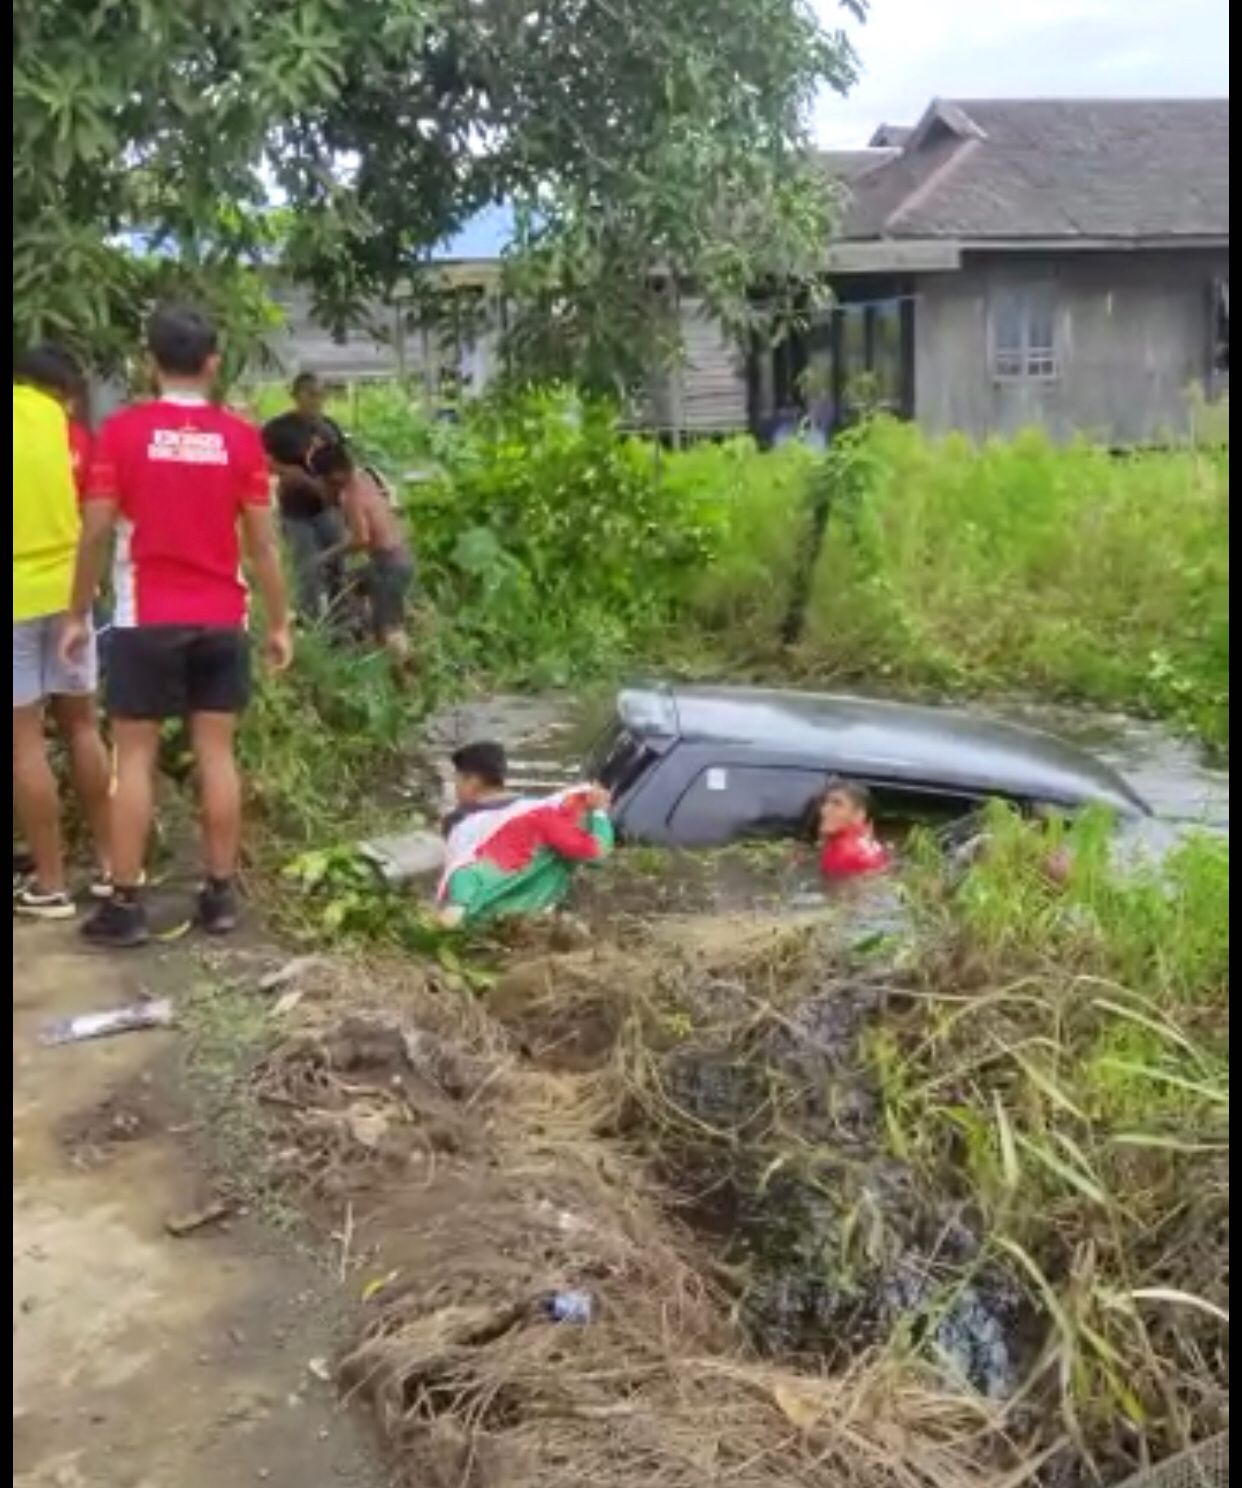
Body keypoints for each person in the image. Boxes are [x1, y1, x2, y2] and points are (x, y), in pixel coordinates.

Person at [59, 304, 294, 947]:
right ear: (213, 362)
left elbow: (97, 532)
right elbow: (264, 548)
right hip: (222, 616)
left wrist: (77, 614)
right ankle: (219, 897)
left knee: (133, 756)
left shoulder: (123, 433)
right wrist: (279, 624)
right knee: (218, 753)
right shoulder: (241, 439)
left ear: (149, 360)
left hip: (146, 617)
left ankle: (127, 905)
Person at [13, 345, 114, 918]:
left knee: (24, 742)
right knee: (82, 726)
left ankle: (50, 884)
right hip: (70, 596)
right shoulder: (71, 432)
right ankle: (108, 865)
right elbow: (95, 517)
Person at [437, 742, 613, 927]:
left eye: (456, 780)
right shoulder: (538, 814)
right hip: (525, 914)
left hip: (473, 914)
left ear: (473, 781)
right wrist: (599, 813)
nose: (455, 788)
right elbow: (597, 854)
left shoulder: (457, 825)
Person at [306, 440, 415, 668]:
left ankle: (409, 683)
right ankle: (366, 633)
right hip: (397, 558)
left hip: (390, 565)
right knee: (352, 585)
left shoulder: (351, 496)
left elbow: (361, 539)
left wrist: (328, 556)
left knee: (390, 630)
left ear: (335, 476)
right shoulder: (365, 479)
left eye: (323, 480)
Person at [261, 373, 347, 624]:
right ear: (296, 396)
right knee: (307, 568)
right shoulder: (279, 429)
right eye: (310, 394)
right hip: (296, 511)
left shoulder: (330, 427)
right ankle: (311, 623)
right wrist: (287, 471)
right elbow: (258, 458)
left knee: (337, 562)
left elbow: (343, 464)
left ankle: (341, 619)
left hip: (327, 508)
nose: (316, 400)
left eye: (321, 394)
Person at [817, 778, 892, 881]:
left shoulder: (842, 852)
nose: (824, 810)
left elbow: (837, 894)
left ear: (858, 815)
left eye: (837, 804)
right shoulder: (867, 839)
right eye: (826, 802)